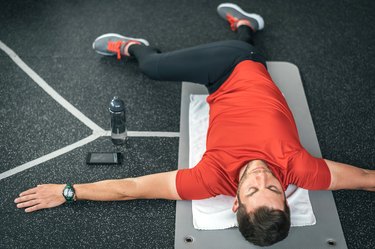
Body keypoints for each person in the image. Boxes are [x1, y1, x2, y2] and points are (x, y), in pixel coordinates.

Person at [14, 3, 374, 247]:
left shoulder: (210, 179)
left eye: (252, 191)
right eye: (275, 189)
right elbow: (365, 178)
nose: (263, 177)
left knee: (154, 70)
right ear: (286, 194)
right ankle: (155, 45)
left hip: (220, 83)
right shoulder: (301, 168)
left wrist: (67, 191)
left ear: (235, 202)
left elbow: (133, 187)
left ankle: (245, 25)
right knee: (155, 67)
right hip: (236, 64)